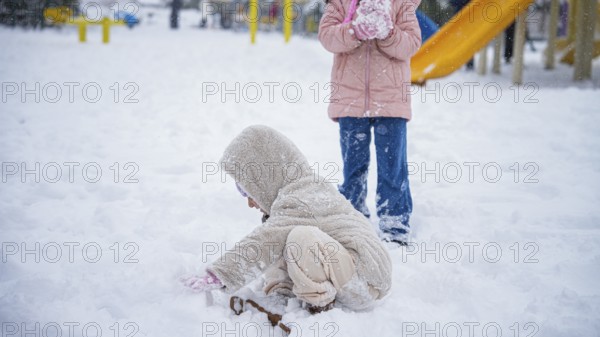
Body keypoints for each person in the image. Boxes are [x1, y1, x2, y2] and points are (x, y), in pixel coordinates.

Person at [182, 125, 392, 313]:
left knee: (296, 237)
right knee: (279, 235)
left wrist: (221, 274)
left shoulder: (304, 196)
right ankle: (283, 295)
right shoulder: (293, 197)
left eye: (248, 192)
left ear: (264, 179)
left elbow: (263, 243)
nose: (250, 203)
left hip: (365, 278)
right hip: (346, 270)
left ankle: (318, 305)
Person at [318, 0, 421, 245]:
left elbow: (411, 45)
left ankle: (394, 221)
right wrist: (354, 30)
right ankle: (352, 218)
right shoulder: (341, 3)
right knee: (353, 167)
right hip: (351, 101)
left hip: (391, 100)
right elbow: (327, 37)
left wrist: (388, 32)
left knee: (392, 167)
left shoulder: (401, 4)